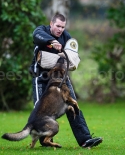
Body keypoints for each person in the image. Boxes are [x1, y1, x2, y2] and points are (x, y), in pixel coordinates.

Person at [29, 13, 102, 148]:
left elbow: (73, 54)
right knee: (40, 108)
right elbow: (36, 35)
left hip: (60, 79)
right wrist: (52, 42)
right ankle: (45, 139)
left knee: (72, 106)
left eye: (62, 27)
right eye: (57, 26)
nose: (60, 29)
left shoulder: (66, 37)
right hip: (41, 78)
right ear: (51, 24)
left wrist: (69, 56)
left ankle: (85, 140)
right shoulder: (42, 31)